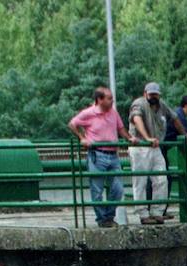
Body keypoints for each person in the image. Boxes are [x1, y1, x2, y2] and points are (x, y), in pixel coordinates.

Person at [68, 85, 133, 228]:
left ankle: (109, 216)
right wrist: (82, 137)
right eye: (109, 98)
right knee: (97, 189)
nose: (112, 101)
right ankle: (102, 219)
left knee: (118, 188)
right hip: (97, 154)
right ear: (99, 100)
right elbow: (72, 124)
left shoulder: (113, 113)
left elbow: (120, 128)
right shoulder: (89, 113)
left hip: (113, 154)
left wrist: (129, 138)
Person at [128, 82, 171, 224]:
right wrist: (146, 138)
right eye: (151, 94)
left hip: (154, 145)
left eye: (156, 94)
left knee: (161, 178)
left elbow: (174, 117)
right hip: (140, 146)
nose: (154, 96)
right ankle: (143, 214)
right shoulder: (138, 104)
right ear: (145, 93)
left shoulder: (161, 106)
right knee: (140, 181)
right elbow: (136, 119)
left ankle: (157, 211)